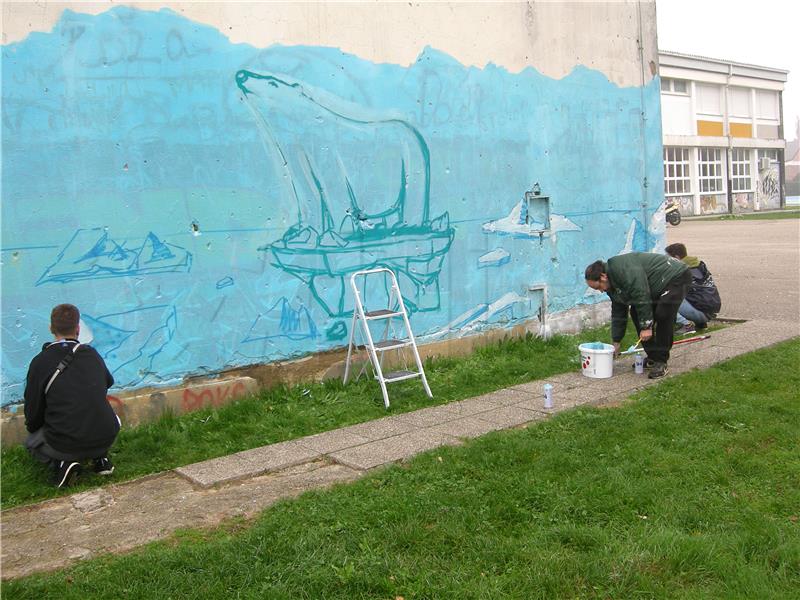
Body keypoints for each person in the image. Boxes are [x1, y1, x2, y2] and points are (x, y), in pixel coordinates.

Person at [24, 304, 120, 488]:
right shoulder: (92, 354)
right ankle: (101, 459)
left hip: (65, 439)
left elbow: (33, 409)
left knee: (31, 441)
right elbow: (106, 384)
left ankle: (64, 463)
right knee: (101, 415)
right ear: (77, 329)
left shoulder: (40, 362)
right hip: (106, 433)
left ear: (51, 329)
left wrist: (35, 427)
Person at [584, 252, 691, 379]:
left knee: (663, 314)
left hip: (677, 277)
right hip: (656, 285)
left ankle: (661, 361)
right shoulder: (611, 285)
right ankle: (653, 357)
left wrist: (646, 326)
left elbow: (641, 294)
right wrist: (616, 341)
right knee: (635, 313)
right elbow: (619, 311)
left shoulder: (623, 269)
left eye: (598, 287)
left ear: (603, 276)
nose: (601, 291)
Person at [665, 243, 721, 332]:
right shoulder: (698, 265)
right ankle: (701, 324)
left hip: (702, 312)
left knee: (664, 298)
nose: (667, 260)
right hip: (711, 309)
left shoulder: (682, 271)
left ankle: (686, 325)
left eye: (668, 257)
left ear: (676, 257)